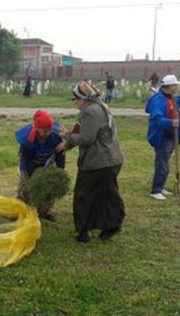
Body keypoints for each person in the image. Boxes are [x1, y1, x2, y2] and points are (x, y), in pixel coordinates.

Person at [59, 81, 125, 242]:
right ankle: (111, 226)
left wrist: (67, 135)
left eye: (75, 99)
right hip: (111, 159)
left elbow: (87, 139)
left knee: (84, 197)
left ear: (83, 99)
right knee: (106, 195)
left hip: (97, 162)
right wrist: (68, 145)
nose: (74, 102)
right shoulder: (101, 107)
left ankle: (83, 232)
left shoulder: (89, 112)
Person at [16, 110, 66, 221]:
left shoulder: (55, 136)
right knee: (25, 189)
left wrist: (60, 169)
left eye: (49, 130)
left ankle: (46, 211)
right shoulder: (27, 140)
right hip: (29, 166)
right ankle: (21, 211)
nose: (47, 133)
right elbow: (26, 159)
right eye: (45, 130)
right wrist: (34, 174)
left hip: (47, 165)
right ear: (37, 128)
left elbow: (60, 154)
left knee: (48, 187)